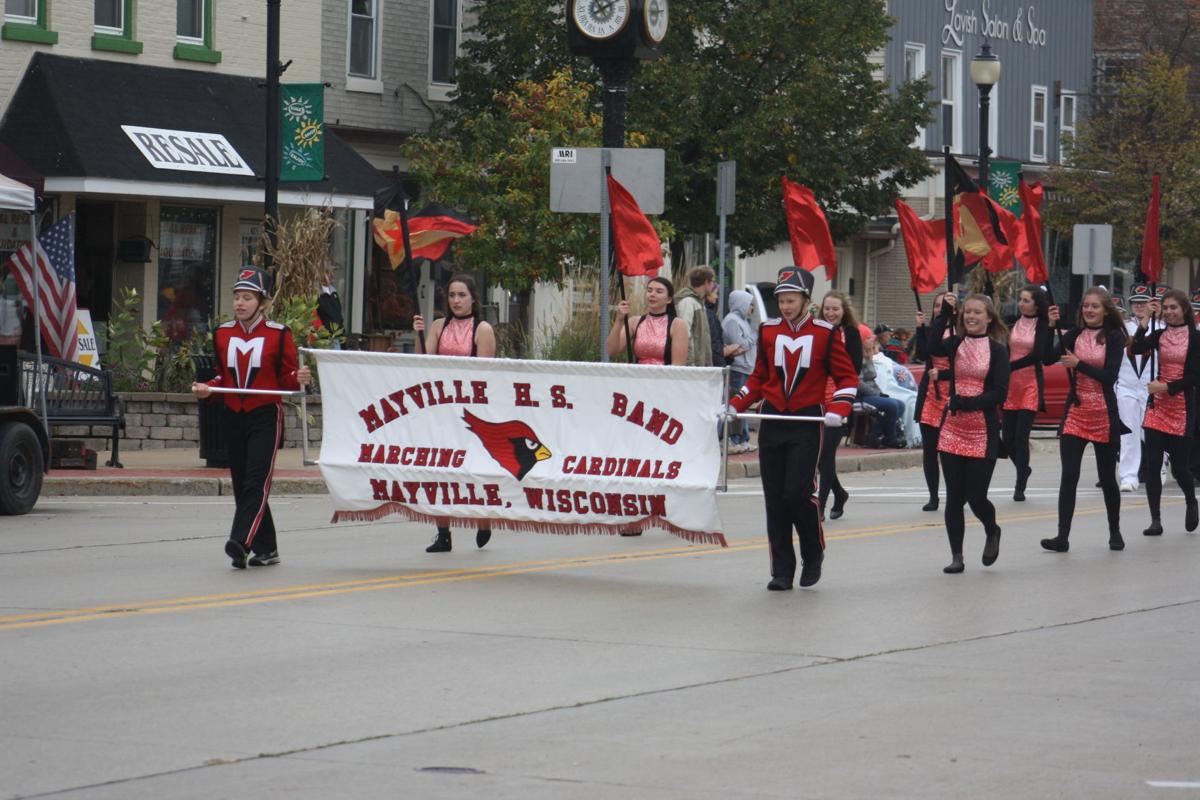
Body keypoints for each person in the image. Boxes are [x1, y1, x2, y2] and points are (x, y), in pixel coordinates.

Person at [728, 267, 859, 590]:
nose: (785, 307)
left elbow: (847, 377)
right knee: (775, 499)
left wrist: (839, 409)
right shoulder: (768, 330)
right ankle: (782, 571)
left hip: (807, 422)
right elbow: (759, 377)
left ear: (805, 300)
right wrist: (736, 403)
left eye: (791, 300)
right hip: (773, 420)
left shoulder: (826, 333)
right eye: (781, 301)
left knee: (798, 493)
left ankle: (813, 553)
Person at [192, 267, 309, 569]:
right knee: (241, 482)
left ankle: (240, 541)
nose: (240, 303)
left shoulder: (278, 334)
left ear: (262, 302)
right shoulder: (222, 333)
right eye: (237, 297)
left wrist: (300, 377)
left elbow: (286, 378)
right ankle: (267, 549)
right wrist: (209, 388)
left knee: (256, 481)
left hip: (265, 415)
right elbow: (222, 376)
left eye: (247, 297)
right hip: (233, 415)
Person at [413, 274, 498, 553]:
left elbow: (484, 377)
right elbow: (422, 362)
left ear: (473, 298)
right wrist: (418, 335)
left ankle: (483, 519)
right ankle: (443, 533)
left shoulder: (483, 329)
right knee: (440, 470)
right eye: (451, 295)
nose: (456, 300)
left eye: (461, 295)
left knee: (474, 469)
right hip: (441, 409)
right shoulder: (439, 326)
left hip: (472, 412)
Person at [1041, 288, 1127, 553]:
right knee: (1069, 476)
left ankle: (1115, 531)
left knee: (1107, 478)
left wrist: (1078, 364)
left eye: (1095, 306)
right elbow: (1046, 358)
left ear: (1106, 311)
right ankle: (1062, 537)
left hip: (1103, 413)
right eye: (1086, 306)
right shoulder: (1075, 334)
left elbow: (1109, 377)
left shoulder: (1114, 336)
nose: (1089, 310)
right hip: (1076, 412)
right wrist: (1050, 326)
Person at [930, 294, 1010, 574]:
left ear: (989, 317)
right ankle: (957, 556)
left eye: (977, 312)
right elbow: (931, 346)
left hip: (982, 430)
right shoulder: (956, 343)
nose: (971, 317)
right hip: (952, 429)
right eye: (967, 312)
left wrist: (965, 402)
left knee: (976, 496)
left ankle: (992, 528)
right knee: (954, 496)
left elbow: (999, 393)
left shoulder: (998, 351)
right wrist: (944, 313)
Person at [1130, 288, 1200, 537]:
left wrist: (1167, 387)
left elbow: (1195, 377)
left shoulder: (1195, 337)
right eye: (1166, 307)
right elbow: (1136, 348)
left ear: (1184, 310)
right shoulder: (1159, 335)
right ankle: (1155, 520)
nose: (1169, 312)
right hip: (1157, 407)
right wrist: (1145, 321)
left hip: (1181, 407)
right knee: (1153, 464)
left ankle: (1191, 500)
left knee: (1179, 468)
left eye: (1174, 307)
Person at [1002, 285, 1057, 501]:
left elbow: (1038, 355)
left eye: (1026, 300)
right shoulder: (1014, 321)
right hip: (1011, 385)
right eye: (1020, 299)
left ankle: (1020, 486)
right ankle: (1024, 469)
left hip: (1030, 385)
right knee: (1007, 438)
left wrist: (1009, 367)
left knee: (1020, 437)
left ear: (1036, 304)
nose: (1021, 304)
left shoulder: (1042, 324)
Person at [816, 292, 863, 520]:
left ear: (844, 311)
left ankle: (820, 506)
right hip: (816, 399)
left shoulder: (851, 333)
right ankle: (840, 493)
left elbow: (854, 369)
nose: (830, 313)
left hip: (839, 399)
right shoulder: (816, 331)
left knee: (826, 453)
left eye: (835, 309)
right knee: (819, 455)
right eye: (827, 308)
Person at [913, 292, 953, 511]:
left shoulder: (958, 333)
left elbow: (964, 369)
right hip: (930, 396)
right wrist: (920, 330)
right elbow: (923, 354)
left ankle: (956, 493)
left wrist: (944, 375)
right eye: (937, 305)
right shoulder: (931, 331)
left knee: (950, 453)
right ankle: (933, 496)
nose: (939, 309)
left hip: (951, 397)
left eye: (943, 305)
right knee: (930, 451)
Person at [1116, 284, 1158, 491]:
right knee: (1128, 432)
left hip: (1152, 387)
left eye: (1143, 302)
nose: (1139, 306)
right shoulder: (1122, 327)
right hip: (1127, 386)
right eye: (1135, 303)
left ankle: (1159, 467)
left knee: (1151, 432)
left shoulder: (1159, 327)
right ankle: (1128, 475)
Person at [606, 275, 690, 367]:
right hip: (638, 374)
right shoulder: (634, 322)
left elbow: (678, 365)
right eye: (649, 290)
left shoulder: (677, 324)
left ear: (669, 299)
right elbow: (611, 350)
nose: (652, 294)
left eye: (659, 291)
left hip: (664, 375)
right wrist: (619, 320)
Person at [721, 290, 757, 454]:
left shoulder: (743, 321)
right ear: (741, 304)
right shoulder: (732, 321)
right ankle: (734, 438)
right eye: (750, 304)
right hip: (737, 368)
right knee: (736, 404)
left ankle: (743, 438)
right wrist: (754, 337)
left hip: (745, 368)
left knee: (744, 404)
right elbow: (739, 345)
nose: (752, 308)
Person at [858, 333, 906, 448]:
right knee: (892, 406)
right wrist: (877, 393)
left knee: (901, 405)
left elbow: (872, 377)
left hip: (872, 393)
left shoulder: (867, 356)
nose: (872, 340)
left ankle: (875, 435)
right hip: (860, 395)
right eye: (868, 338)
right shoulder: (856, 358)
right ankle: (890, 438)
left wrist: (869, 359)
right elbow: (858, 383)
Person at [675, 267, 714, 366]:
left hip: (699, 363)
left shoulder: (699, 302)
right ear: (706, 282)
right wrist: (690, 362)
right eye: (712, 281)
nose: (714, 285)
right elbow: (685, 333)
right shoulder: (688, 301)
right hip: (692, 365)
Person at [316, 268, 344, 346]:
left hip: (336, 335)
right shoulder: (319, 295)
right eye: (327, 274)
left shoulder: (333, 293)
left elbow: (338, 312)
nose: (330, 276)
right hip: (325, 337)